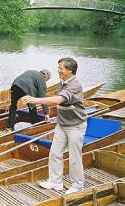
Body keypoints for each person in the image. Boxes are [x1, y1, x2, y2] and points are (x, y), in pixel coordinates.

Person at [22, 57, 87, 194]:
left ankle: (78, 185)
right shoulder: (63, 82)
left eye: (61, 69)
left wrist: (36, 99)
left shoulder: (75, 85)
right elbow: (54, 102)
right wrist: (40, 104)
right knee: (55, 153)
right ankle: (55, 182)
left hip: (76, 126)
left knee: (75, 157)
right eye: (58, 68)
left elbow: (59, 99)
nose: (58, 71)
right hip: (62, 124)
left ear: (70, 70)